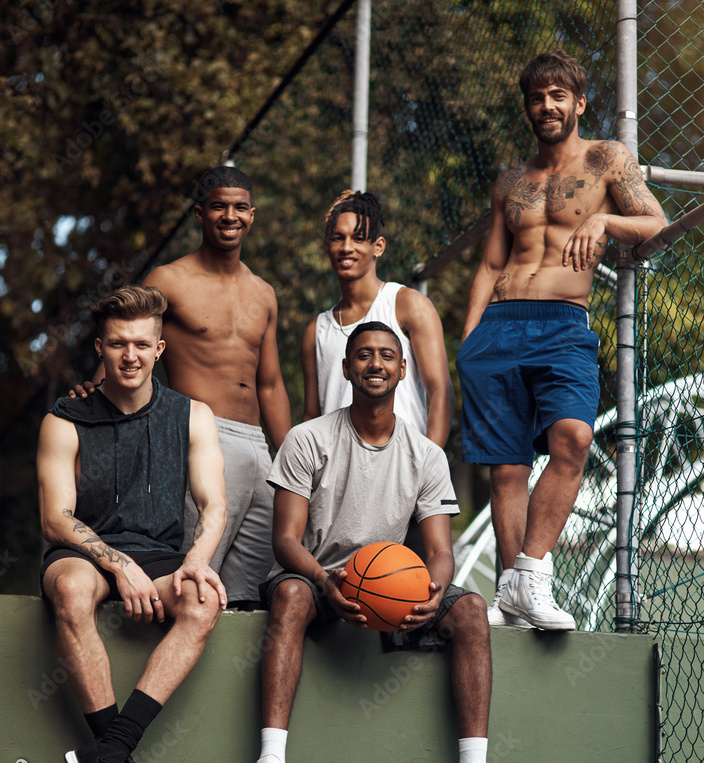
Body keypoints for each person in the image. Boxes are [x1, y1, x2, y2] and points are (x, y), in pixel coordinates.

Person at [242, 322, 521, 763]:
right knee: (287, 594)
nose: (376, 363)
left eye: (387, 356)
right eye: (364, 355)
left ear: (402, 370)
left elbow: (440, 551)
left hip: (387, 588)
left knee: (470, 608)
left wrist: (431, 592)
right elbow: (285, 541)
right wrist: (326, 583)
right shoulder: (309, 440)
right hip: (317, 577)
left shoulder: (426, 455)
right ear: (346, 368)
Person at [456, 51, 668, 631]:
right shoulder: (511, 182)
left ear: (578, 103)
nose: (546, 106)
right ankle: (510, 597)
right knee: (505, 468)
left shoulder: (606, 159)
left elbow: (655, 223)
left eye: (557, 96)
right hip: (498, 325)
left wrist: (603, 222)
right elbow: (490, 262)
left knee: (571, 438)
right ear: (527, 106)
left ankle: (532, 573)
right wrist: (469, 338)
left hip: (562, 324)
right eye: (536, 97)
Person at [37, 285, 228, 763]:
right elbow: (56, 518)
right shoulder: (65, 419)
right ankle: (115, 759)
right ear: (100, 346)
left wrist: (195, 562)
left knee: (203, 600)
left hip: (164, 557)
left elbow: (214, 506)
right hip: (85, 555)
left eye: (142, 344)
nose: (131, 355)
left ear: (160, 349)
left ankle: (111, 754)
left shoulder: (194, 416)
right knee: (72, 590)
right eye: (118, 344)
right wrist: (120, 566)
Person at [73, 166, 291, 608]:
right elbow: (131, 341)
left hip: (259, 449)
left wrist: (289, 463)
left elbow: (270, 384)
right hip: (201, 439)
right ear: (199, 213)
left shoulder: (263, 292)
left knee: (244, 595)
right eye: (218, 207)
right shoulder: (169, 279)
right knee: (187, 577)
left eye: (240, 207)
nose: (230, 216)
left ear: (253, 215)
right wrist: (92, 397)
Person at [301, 190, 454, 449]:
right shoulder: (316, 330)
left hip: (404, 470)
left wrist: (427, 467)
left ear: (378, 247)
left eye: (358, 238)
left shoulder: (407, 305)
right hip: (338, 476)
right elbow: (312, 416)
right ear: (327, 246)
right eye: (338, 238)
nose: (347, 247)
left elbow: (440, 391)